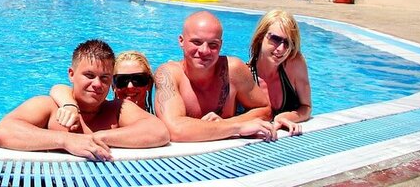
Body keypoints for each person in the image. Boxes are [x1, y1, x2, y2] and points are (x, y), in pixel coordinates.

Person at [0, 40, 169, 160]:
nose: (97, 84)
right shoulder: (49, 106)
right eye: (89, 75)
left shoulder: (118, 109)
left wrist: (96, 138)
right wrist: (65, 140)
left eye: (105, 77)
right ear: (71, 74)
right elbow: (4, 130)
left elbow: (159, 131)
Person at [154, 11, 276, 142]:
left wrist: (226, 123)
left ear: (220, 45)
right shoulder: (168, 74)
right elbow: (175, 130)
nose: (204, 51)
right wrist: (237, 127)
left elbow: (265, 110)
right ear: (181, 41)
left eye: (213, 45)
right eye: (196, 42)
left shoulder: (233, 70)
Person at [49, 51, 155, 131]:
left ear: (149, 84)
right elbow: (58, 89)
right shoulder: (104, 111)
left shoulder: (158, 117)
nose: (130, 86)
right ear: (112, 84)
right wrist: (70, 105)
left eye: (138, 79)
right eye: (122, 80)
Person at [247, 10, 311, 136]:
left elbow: (306, 107)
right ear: (260, 37)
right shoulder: (245, 76)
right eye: (275, 39)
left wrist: (284, 117)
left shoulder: (295, 64)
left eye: (288, 43)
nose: (281, 49)